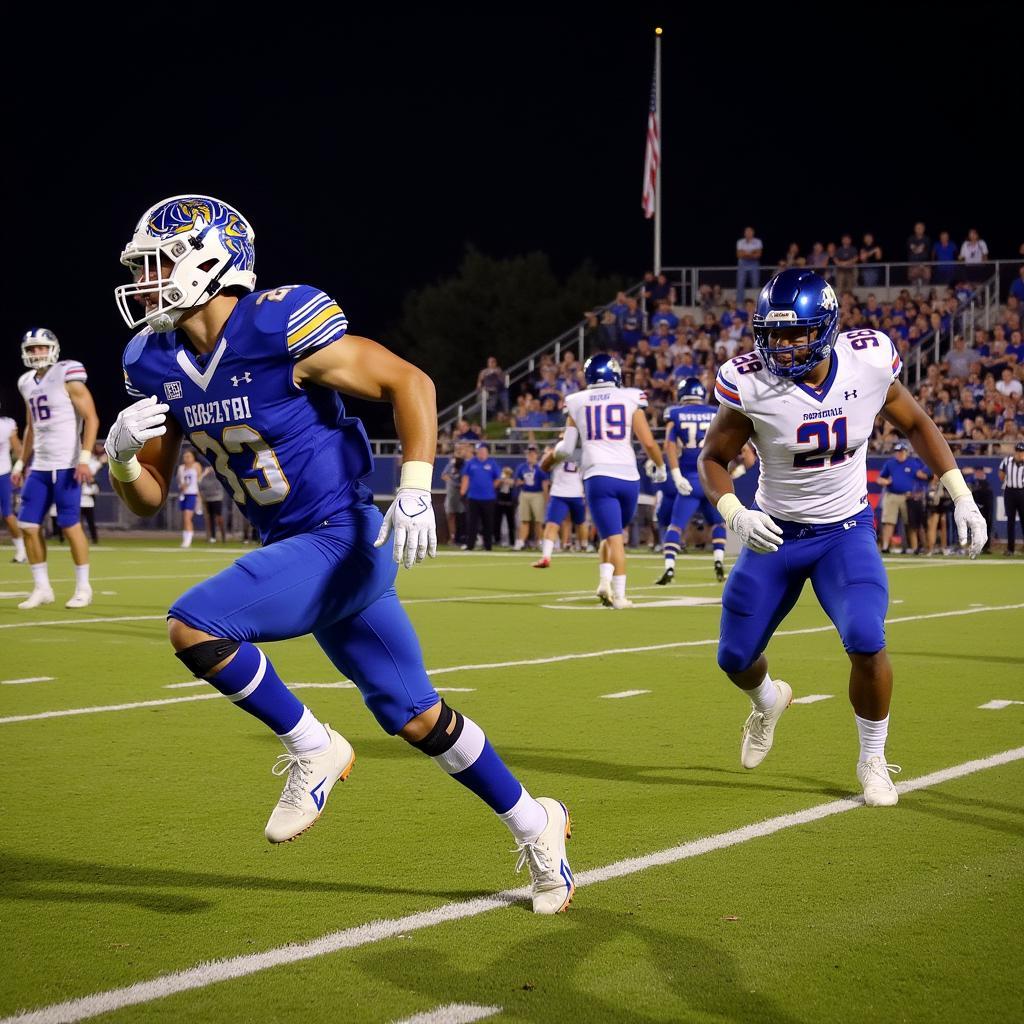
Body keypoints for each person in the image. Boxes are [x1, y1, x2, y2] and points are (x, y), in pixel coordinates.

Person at [105, 195, 572, 913]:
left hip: (344, 537)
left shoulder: (277, 322)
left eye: (158, 263)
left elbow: (407, 382)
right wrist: (122, 461)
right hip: (295, 549)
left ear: (208, 259)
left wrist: (415, 486)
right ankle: (539, 825)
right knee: (418, 717)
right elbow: (149, 496)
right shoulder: (154, 359)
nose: (145, 280)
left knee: (194, 624)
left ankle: (313, 746)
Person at [699, 268, 987, 806]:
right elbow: (713, 458)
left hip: (844, 532)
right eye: (773, 334)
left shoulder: (870, 359)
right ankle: (767, 702)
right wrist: (734, 511)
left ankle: (873, 758)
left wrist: (960, 492)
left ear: (827, 327)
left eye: (795, 334)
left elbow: (919, 424)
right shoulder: (751, 381)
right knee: (734, 658)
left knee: (866, 637)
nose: (781, 347)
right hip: (775, 533)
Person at [555, 354, 665, 608]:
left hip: (598, 476)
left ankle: (616, 590)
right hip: (628, 477)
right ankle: (609, 587)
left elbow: (567, 447)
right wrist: (660, 467)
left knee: (612, 535)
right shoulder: (630, 397)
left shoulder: (576, 401)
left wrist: (552, 457)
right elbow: (648, 442)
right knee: (615, 533)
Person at [13, 328, 99, 609]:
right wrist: (20, 463)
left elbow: (91, 417)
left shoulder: (66, 373)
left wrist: (84, 458)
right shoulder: (25, 381)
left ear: (53, 348)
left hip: (67, 464)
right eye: (32, 348)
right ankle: (42, 588)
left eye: (41, 347)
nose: (37, 353)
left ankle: (83, 587)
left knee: (69, 524)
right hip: (39, 465)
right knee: (27, 525)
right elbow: (30, 427)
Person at [654, 377, 727, 585]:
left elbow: (669, 445)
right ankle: (719, 562)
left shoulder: (675, 413)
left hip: (689, 479)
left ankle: (669, 567)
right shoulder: (715, 412)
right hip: (711, 478)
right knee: (717, 523)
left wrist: (676, 474)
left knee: (676, 525)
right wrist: (735, 469)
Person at [534, 439, 587, 567]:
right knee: (552, 524)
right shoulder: (557, 454)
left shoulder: (583, 453)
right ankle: (546, 556)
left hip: (577, 493)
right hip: (559, 494)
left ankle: (584, 547)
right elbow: (543, 467)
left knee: (580, 523)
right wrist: (551, 456)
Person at [876, 441, 929, 554]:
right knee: (889, 522)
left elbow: (923, 475)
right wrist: (885, 481)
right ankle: (885, 547)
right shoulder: (890, 464)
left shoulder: (913, 463)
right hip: (892, 495)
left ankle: (914, 547)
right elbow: (879, 479)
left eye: (902, 451)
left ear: (906, 452)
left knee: (910, 523)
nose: (899, 454)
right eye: (898, 452)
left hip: (908, 497)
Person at [460, 442, 501, 551]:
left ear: (487, 452)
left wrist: (490, 487)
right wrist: (463, 491)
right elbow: (466, 477)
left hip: (488, 498)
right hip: (473, 497)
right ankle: (470, 545)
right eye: (480, 450)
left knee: (488, 522)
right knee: (472, 522)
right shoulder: (471, 463)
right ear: (477, 452)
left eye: (483, 450)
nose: (482, 453)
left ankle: (488, 546)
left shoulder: (492, 463)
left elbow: (498, 478)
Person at [0, 408, 27, 562]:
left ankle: (22, 550)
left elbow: (17, 449)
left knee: (7, 514)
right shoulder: (7, 424)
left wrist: (20, 469)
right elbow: (17, 449)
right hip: (4, 471)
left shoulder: (6, 424)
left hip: (2, 473)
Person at [513, 444, 548, 550]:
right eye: (529, 453)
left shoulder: (541, 467)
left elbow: (545, 484)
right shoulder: (522, 467)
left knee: (539, 520)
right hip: (525, 493)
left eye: (533, 453)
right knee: (524, 519)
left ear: (537, 455)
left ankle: (540, 542)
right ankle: (521, 542)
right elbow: (517, 481)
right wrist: (522, 481)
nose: (531, 455)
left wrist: (546, 499)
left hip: (538, 494)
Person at [999, 441, 1024, 555]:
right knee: (1010, 521)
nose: (1020, 454)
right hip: (1010, 492)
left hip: (1022, 491)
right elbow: (1001, 474)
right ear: (1015, 451)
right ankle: (1010, 549)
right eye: (1018, 451)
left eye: (1022, 451)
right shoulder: (1007, 461)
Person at [79, 441, 107, 544]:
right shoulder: (82, 462)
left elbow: (92, 472)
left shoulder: (92, 460)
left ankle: (94, 538)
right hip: (79, 497)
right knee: (77, 521)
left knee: (90, 521)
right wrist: (100, 461)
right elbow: (90, 470)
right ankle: (81, 538)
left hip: (88, 497)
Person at [440, 442, 467, 546]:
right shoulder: (451, 464)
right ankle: (453, 537)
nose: (459, 452)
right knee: (451, 514)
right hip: (452, 492)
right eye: (457, 450)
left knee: (462, 515)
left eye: (461, 450)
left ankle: (463, 537)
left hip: (463, 492)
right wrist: (454, 482)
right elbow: (444, 475)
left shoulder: (467, 463)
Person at [176, 448, 200, 548]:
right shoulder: (181, 468)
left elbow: (198, 480)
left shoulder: (196, 466)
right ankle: (185, 538)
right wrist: (182, 485)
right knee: (184, 518)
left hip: (192, 494)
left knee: (187, 517)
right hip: (183, 494)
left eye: (189, 456)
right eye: (185, 456)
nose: (186, 458)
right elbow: (179, 481)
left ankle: (188, 540)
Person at [198, 461, 227, 543]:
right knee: (210, 518)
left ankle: (223, 535)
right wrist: (204, 474)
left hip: (217, 498)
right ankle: (212, 536)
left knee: (219, 517)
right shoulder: (205, 475)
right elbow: (199, 484)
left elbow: (221, 482)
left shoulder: (218, 473)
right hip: (207, 498)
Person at [735, 227, 763, 306]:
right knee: (740, 283)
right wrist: (752, 252)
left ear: (753, 233)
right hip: (742, 264)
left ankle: (756, 303)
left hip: (754, 263)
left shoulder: (758, 241)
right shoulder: (740, 242)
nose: (748, 234)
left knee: (755, 283)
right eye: (747, 232)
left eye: (750, 232)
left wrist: (746, 253)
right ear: (744, 233)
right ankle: (739, 304)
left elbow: (758, 255)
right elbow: (739, 255)